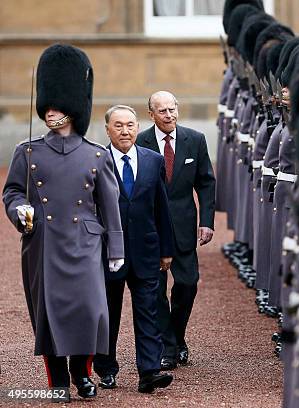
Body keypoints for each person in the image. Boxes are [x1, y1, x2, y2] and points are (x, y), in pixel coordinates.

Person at [2, 44, 124, 400]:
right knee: (49, 312)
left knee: (89, 310)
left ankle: (81, 372)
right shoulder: (28, 152)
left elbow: (110, 204)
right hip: (44, 241)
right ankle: (56, 379)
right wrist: (19, 211)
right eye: (48, 106)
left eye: (57, 106)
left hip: (84, 242)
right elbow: (12, 192)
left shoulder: (96, 155)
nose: (51, 112)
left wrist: (115, 246)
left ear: (73, 108)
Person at [92, 105, 174, 393]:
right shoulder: (96, 160)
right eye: (118, 126)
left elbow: (161, 207)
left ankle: (149, 372)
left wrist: (167, 248)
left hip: (146, 251)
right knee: (107, 313)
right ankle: (106, 369)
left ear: (137, 127)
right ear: (107, 129)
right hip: (107, 253)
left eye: (130, 125)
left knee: (149, 311)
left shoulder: (152, 160)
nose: (125, 131)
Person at [136, 91, 216, 370]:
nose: (169, 115)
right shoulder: (139, 142)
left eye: (172, 110)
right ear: (151, 114)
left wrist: (207, 220)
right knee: (155, 290)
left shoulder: (195, 139)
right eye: (163, 111)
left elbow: (206, 182)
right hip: (151, 228)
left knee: (187, 283)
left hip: (183, 226)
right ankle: (169, 348)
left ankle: (176, 336)